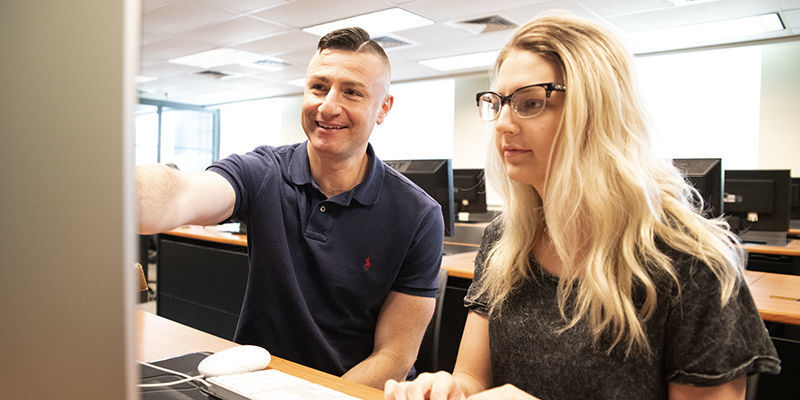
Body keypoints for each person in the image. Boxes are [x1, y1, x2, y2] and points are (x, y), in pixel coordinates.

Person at [384, 13, 780, 400]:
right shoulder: (505, 240)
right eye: (499, 102)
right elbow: (472, 379)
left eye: (530, 102)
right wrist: (449, 389)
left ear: (596, 111)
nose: (503, 123)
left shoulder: (692, 264)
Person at [136, 27, 443, 389]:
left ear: (383, 108)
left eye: (352, 92)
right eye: (318, 86)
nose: (328, 106)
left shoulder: (419, 214)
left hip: (351, 392)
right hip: (258, 384)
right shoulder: (264, 171)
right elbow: (178, 193)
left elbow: (394, 357)